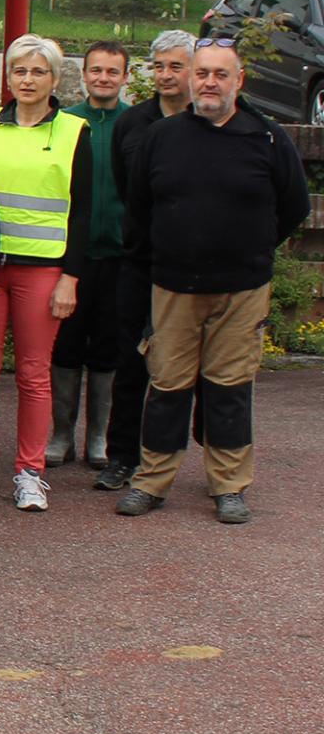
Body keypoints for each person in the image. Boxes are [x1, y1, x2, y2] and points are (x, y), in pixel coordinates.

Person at [117, 39, 307, 524]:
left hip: (241, 289)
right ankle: (152, 481)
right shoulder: (163, 137)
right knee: (167, 386)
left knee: (229, 388)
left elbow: (294, 207)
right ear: (190, 78)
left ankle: (229, 486)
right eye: (202, 73)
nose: (209, 82)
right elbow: (138, 208)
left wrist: (252, 248)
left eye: (221, 74)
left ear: (238, 81)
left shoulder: (266, 138)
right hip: (174, 286)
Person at [0, 34, 92, 512]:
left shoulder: (75, 132)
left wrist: (70, 277)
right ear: (8, 77)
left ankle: (29, 472)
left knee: (35, 376)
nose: (28, 79)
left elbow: (83, 213)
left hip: (43, 272)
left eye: (38, 72)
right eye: (20, 71)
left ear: (55, 79)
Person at [97, 30, 196, 492]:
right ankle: (121, 457)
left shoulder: (208, 122)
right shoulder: (132, 123)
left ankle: (174, 458)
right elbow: (126, 186)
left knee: (184, 371)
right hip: (138, 262)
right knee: (131, 362)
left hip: (193, 268)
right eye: (159, 66)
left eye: (176, 66)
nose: (166, 75)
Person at [47, 40, 130, 471]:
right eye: (95, 70)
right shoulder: (65, 123)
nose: (102, 78)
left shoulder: (135, 125)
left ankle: (97, 435)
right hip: (70, 256)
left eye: (111, 71)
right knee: (66, 346)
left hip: (118, 256)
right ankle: (62, 433)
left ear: (125, 77)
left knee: (108, 348)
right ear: (83, 76)